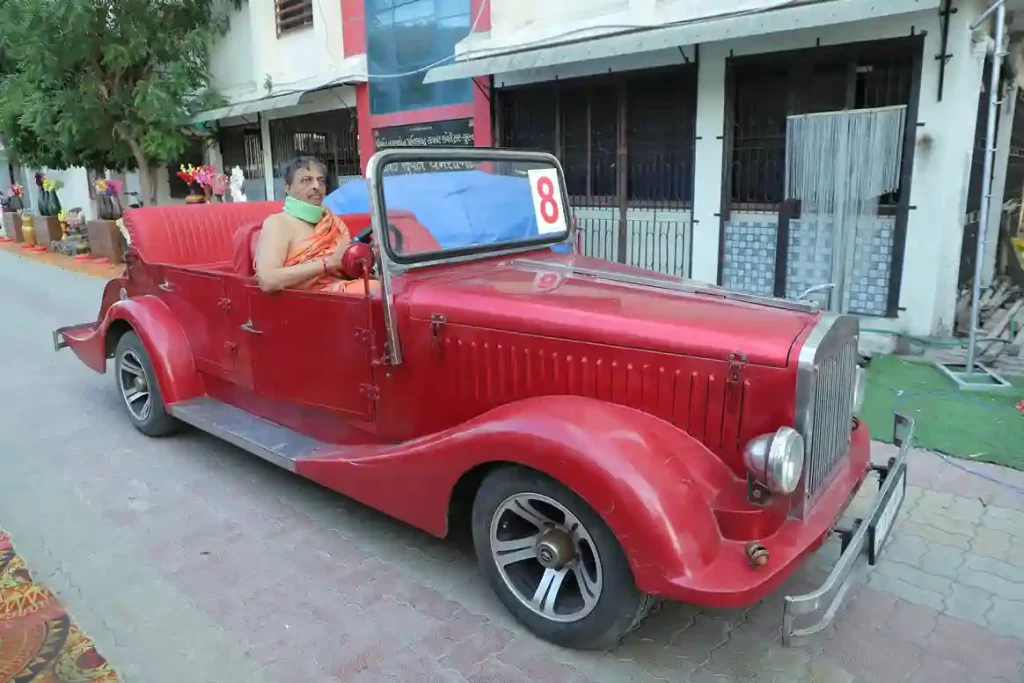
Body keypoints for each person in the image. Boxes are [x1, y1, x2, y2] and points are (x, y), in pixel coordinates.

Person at [254, 156, 378, 295]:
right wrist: (327, 264)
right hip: (302, 303)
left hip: (340, 295)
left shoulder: (334, 223)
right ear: (287, 187)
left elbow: (345, 271)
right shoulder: (278, 223)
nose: (316, 186)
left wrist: (363, 258)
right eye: (306, 180)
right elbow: (268, 280)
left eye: (321, 181)